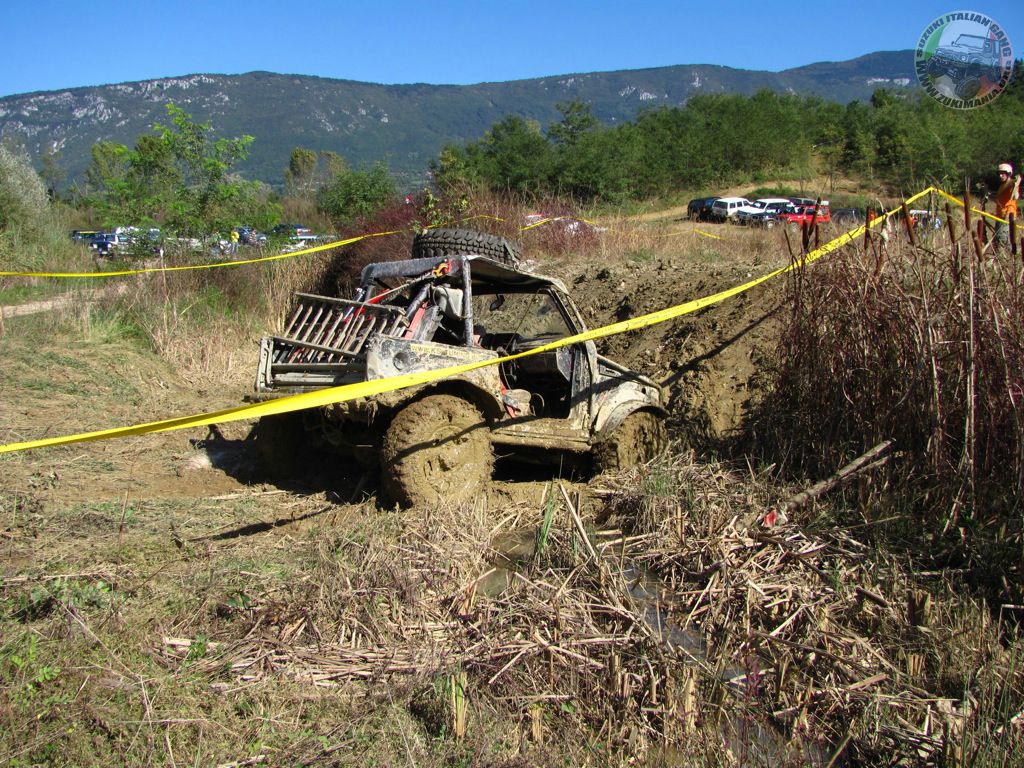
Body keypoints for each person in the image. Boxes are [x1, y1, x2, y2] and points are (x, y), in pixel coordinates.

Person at [994, 163, 1020, 252]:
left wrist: (1016, 188)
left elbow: (1015, 195)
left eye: (1003, 173)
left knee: (1003, 238)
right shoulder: (1002, 186)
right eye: (999, 173)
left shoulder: (1011, 184)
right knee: (997, 239)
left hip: (1008, 215)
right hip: (1000, 215)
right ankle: (1000, 259)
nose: (1000, 175)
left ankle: (1014, 254)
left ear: (1008, 173)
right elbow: (998, 200)